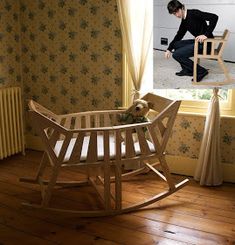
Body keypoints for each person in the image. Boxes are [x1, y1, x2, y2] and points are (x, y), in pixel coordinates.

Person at [165, 0, 218, 82]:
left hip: (206, 45)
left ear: (182, 7)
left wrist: (205, 35)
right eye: (174, 13)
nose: (177, 15)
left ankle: (201, 71)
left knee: (176, 55)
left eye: (177, 11)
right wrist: (169, 49)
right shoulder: (184, 21)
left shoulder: (194, 13)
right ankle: (187, 70)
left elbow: (214, 17)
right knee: (176, 45)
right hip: (199, 42)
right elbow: (179, 35)